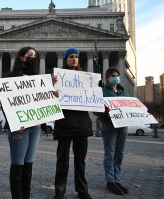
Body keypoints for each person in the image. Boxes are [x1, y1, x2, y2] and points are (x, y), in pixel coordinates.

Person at [53, 48, 93, 199]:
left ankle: (82, 190)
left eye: (76, 57)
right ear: (65, 59)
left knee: (80, 161)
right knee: (62, 161)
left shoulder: (86, 79)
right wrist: (52, 89)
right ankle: (59, 191)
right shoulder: (58, 78)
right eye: (71, 56)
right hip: (64, 123)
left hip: (82, 124)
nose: (74, 59)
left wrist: (97, 87)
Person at [3, 46, 40, 199]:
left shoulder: (39, 80)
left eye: (35, 56)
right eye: (30, 55)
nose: (33, 58)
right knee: (18, 165)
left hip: (35, 127)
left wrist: (53, 93)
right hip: (19, 128)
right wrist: (14, 123)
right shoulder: (10, 78)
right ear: (21, 57)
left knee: (29, 166)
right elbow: (6, 104)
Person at [97, 67, 130, 195]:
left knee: (119, 153)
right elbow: (96, 108)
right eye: (112, 76)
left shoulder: (123, 92)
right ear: (107, 78)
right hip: (109, 125)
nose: (115, 77)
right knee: (110, 153)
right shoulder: (102, 91)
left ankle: (117, 179)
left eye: (117, 75)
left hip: (123, 125)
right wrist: (103, 112)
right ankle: (110, 181)